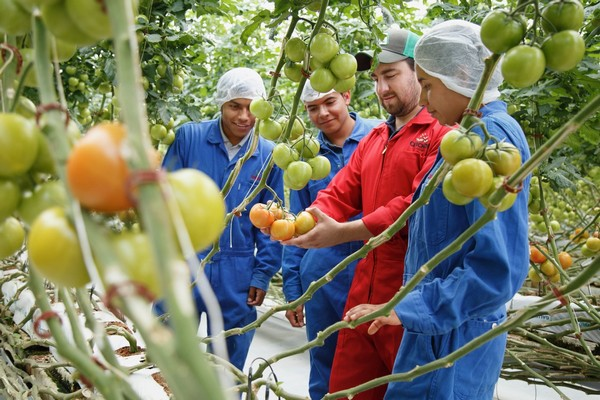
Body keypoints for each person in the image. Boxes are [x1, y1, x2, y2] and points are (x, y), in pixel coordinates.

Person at [343, 20, 531, 399]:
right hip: (435, 334)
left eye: (428, 85)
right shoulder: (464, 138)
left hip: (451, 341)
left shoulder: (489, 143)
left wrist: (410, 308)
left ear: (462, 76)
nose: (423, 100)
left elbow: (497, 271)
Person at [283, 27, 451, 399]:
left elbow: (415, 203)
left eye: (391, 75)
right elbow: (340, 191)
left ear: (419, 72)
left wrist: (344, 232)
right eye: (377, 79)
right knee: (345, 389)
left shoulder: (442, 134)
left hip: (409, 292)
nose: (381, 88)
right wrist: (302, 221)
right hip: (364, 290)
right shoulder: (376, 138)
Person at [160, 67, 284, 371]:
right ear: (221, 104)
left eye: (251, 108)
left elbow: (272, 221)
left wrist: (261, 274)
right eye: (235, 106)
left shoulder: (268, 154)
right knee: (169, 359)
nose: (244, 116)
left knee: (226, 369)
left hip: (238, 274)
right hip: (184, 261)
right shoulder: (189, 138)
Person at [281, 81, 381, 399]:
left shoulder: (379, 137)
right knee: (324, 356)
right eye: (312, 108)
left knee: (374, 360)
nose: (323, 113)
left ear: (347, 97)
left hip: (372, 265)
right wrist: (294, 288)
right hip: (322, 270)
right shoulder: (304, 157)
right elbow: (297, 222)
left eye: (330, 102)